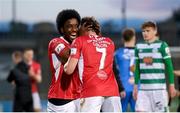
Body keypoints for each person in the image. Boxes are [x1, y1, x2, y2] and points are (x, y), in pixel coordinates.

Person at [64, 17, 122, 112]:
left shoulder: (79, 41)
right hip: (113, 91)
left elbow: (69, 70)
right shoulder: (109, 42)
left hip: (91, 90)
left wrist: (67, 63)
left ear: (84, 27)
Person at [133, 21, 177, 112]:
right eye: (143, 31)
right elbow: (137, 68)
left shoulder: (162, 45)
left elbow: (169, 67)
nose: (145, 33)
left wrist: (172, 85)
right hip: (143, 90)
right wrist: (136, 86)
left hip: (159, 90)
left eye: (148, 31)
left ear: (155, 31)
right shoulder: (138, 47)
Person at [47, 9, 82, 112]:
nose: (74, 29)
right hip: (61, 98)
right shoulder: (55, 42)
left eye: (76, 26)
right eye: (69, 26)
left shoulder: (80, 44)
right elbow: (68, 56)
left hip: (78, 96)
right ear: (62, 29)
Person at [114, 28, 136, 112]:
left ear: (122, 39)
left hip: (123, 88)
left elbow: (113, 70)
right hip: (137, 88)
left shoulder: (118, 53)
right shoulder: (140, 52)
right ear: (134, 38)